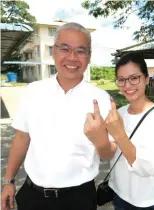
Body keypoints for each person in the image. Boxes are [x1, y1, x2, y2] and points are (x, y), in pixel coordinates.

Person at [1, 22, 116, 210]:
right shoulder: (34, 91)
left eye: (81, 51)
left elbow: (108, 153)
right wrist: (8, 181)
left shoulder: (102, 100)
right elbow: (22, 138)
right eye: (65, 48)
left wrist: (100, 140)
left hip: (79, 199)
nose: (72, 57)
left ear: (89, 57)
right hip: (33, 196)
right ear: (54, 51)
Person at [104, 53, 154, 209]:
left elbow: (149, 167)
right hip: (120, 195)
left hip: (149, 201)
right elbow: (111, 154)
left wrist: (120, 134)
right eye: (121, 80)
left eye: (134, 78)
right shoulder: (119, 113)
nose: (127, 85)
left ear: (147, 79)